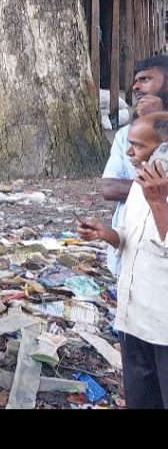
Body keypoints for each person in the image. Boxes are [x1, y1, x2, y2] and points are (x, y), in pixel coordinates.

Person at [78, 112, 168, 409]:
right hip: (134, 319)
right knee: (142, 399)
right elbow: (132, 237)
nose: (129, 152)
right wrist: (108, 234)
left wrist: (158, 202)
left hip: (164, 326)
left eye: (138, 146)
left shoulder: (154, 192)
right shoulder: (140, 189)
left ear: (163, 147)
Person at [101, 56, 168, 275]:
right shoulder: (124, 135)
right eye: (136, 81)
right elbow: (109, 188)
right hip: (128, 254)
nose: (136, 87)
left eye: (146, 79)